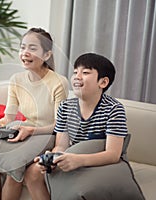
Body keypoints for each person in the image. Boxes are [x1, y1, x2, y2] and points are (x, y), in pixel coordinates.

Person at [25, 53, 128, 199]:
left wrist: (79, 160)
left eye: (85, 72)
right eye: (75, 72)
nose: (77, 76)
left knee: (78, 187)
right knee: (32, 173)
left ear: (103, 82)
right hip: (73, 157)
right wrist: (53, 158)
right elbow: (61, 145)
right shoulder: (65, 107)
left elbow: (113, 155)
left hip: (102, 162)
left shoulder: (113, 109)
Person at [0, 28, 69, 200]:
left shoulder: (59, 83)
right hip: (23, 132)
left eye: (32, 48)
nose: (25, 53)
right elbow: (9, 117)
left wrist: (31, 131)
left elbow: (60, 126)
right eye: (22, 47)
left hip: (47, 134)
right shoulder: (16, 79)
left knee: (13, 166)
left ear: (46, 55)